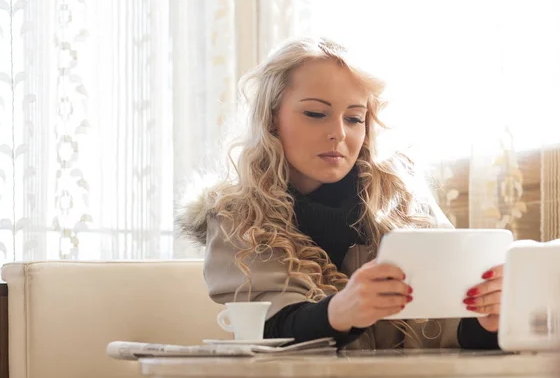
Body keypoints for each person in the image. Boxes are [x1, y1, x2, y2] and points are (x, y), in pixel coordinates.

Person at [177, 36, 502, 350]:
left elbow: (448, 326)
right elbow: (264, 330)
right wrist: (338, 313)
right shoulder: (238, 216)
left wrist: (486, 322)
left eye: (354, 118)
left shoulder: (402, 200)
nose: (338, 133)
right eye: (315, 114)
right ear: (272, 119)